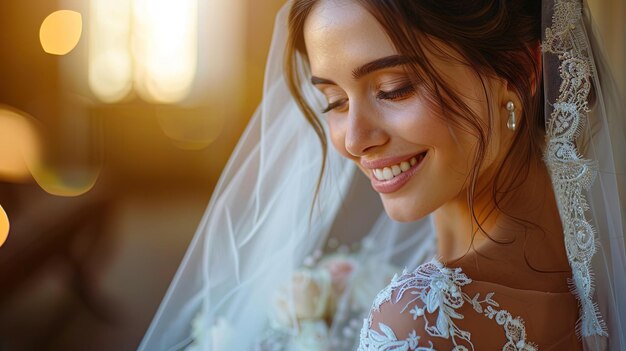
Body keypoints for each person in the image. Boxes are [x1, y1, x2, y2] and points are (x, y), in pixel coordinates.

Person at [139, 0, 626, 350]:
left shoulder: (420, 319)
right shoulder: (596, 261)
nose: (353, 138)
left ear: (518, 72)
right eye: (333, 101)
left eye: (393, 88)